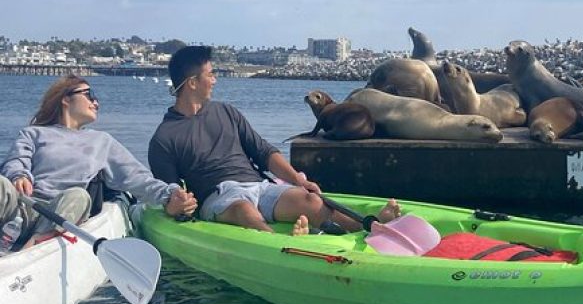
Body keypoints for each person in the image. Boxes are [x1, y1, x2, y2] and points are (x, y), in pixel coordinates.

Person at [148, 46, 400, 236]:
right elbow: (167, 194)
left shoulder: (226, 111)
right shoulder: (164, 138)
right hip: (219, 196)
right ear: (192, 83)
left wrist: (299, 180)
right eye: (210, 74)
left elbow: (263, 152)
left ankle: (371, 226)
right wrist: (176, 205)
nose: (215, 79)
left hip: (259, 186)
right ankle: (282, 247)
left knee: (310, 200)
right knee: (245, 212)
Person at [0, 75, 197, 250]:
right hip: (23, 206)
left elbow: (137, 178)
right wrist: (19, 175)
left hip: (62, 212)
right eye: (89, 94)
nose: (96, 102)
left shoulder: (102, 141)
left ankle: (31, 248)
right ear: (66, 99)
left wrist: (170, 195)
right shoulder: (34, 133)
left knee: (78, 195)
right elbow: (17, 159)